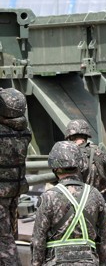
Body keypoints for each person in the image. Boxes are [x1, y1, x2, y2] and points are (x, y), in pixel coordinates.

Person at [31, 141, 106, 266]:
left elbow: (38, 240)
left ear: (54, 167)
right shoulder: (95, 195)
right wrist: (102, 263)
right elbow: (103, 238)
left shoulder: (49, 197)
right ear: (80, 164)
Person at [0, 88, 31, 264]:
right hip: (13, 192)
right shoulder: (24, 132)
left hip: (1, 193)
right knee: (10, 234)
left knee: (5, 242)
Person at [65, 119, 106, 195]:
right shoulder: (99, 152)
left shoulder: (71, 154)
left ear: (70, 136)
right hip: (99, 197)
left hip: (79, 199)